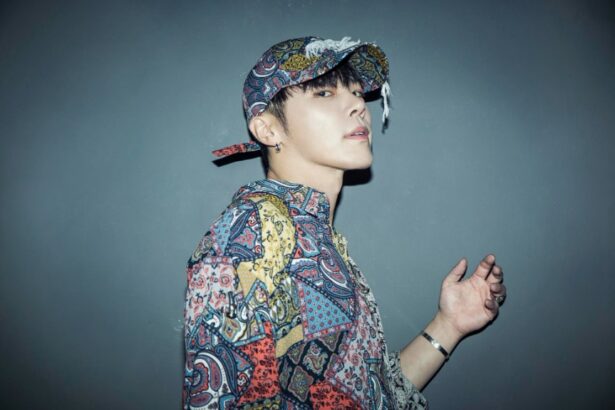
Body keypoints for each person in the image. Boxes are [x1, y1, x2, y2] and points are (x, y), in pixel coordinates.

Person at [183, 36, 507, 409]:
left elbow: (371, 395)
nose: (358, 104)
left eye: (356, 92)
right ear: (268, 130)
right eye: (324, 93)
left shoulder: (315, 238)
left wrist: (449, 325)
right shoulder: (252, 231)